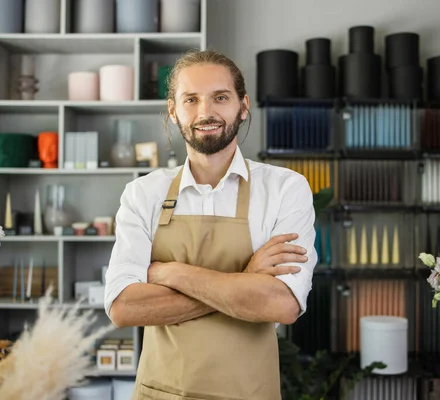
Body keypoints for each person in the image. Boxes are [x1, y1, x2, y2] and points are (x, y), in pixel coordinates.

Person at [104, 49, 317, 400]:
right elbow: (124, 307)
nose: (206, 112)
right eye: (191, 100)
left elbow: (282, 304)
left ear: (243, 106)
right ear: (173, 111)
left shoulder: (284, 188)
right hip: (162, 392)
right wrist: (248, 280)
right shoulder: (143, 193)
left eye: (220, 97)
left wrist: (170, 273)